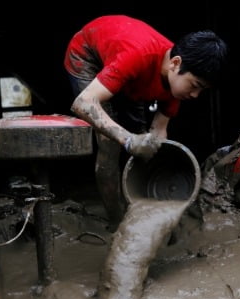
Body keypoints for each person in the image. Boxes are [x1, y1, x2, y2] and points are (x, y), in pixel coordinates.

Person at [64, 15, 228, 228]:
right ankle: (116, 221)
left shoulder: (175, 84)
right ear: (175, 64)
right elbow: (84, 103)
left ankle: (144, 202)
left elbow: (158, 132)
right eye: (194, 85)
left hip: (130, 74)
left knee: (142, 138)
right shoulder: (138, 55)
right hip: (88, 54)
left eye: (201, 90)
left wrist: (150, 149)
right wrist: (127, 139)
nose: (195, 95)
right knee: (110, 144)